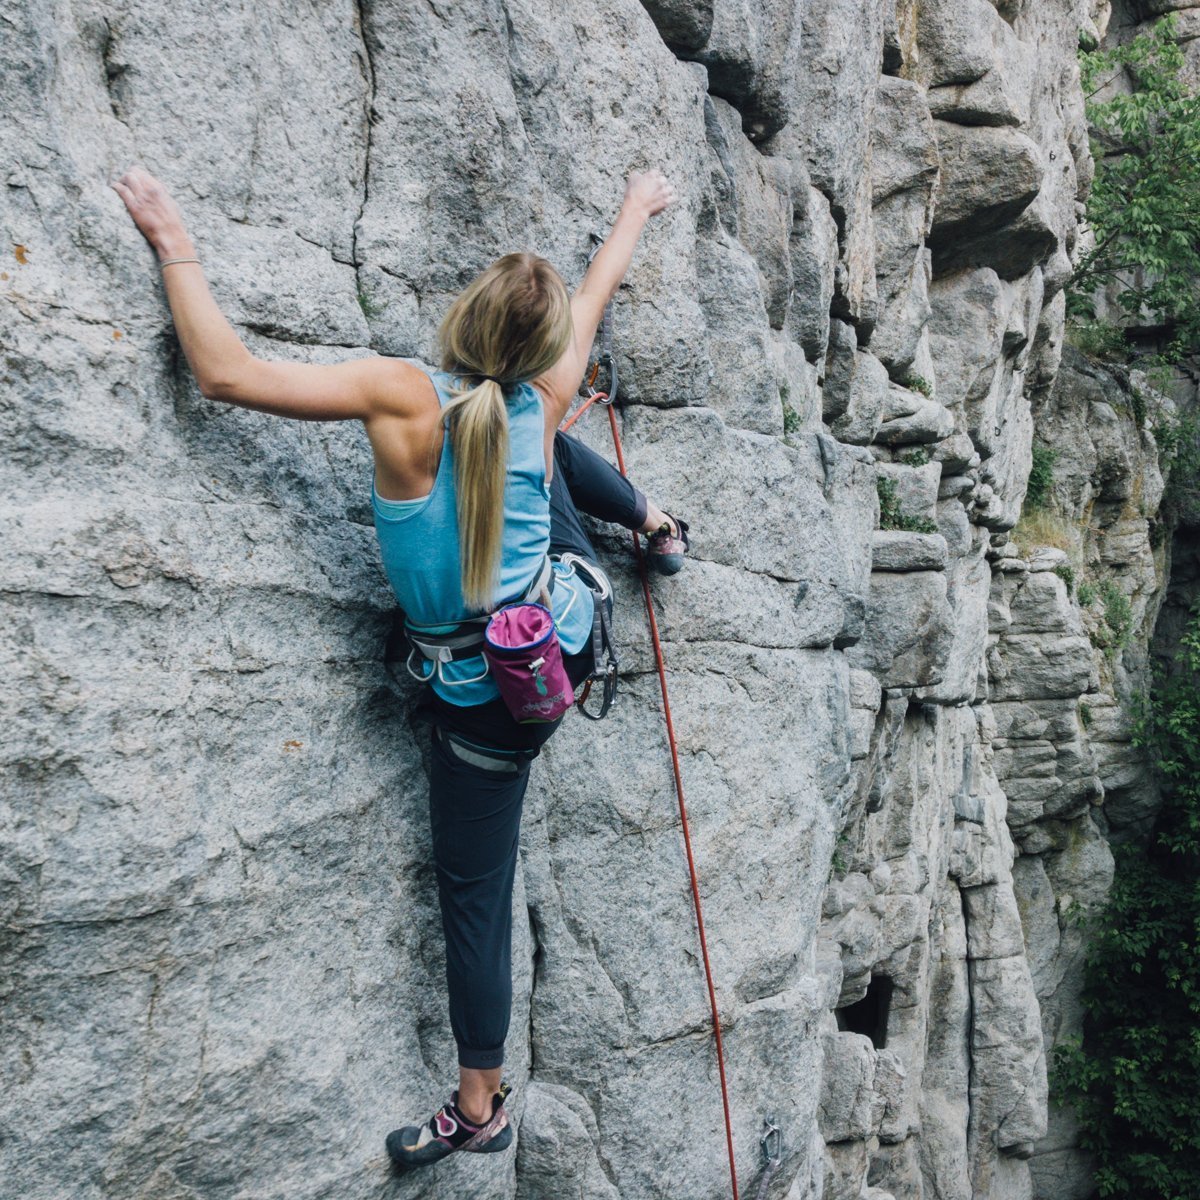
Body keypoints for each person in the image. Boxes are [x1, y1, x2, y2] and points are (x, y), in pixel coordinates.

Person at [113, 164, 689, 1171]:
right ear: (544, 354)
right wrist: (637, 207)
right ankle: (649, 519)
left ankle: (481, 1108)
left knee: (477, 893)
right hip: (557, 642)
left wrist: (173, 241)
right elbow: (593, 298)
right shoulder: (542, 396)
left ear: (462, 322)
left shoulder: (399, 395)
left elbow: (227, 375)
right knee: (547, 441)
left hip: (477, 695)